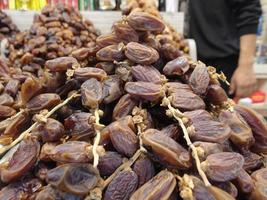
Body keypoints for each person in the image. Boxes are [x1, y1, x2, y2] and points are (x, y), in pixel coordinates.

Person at [186, 0, 262, 98]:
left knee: (220, 110)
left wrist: (246, 66)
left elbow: (248, 10)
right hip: (186, 60)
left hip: (221, 64)